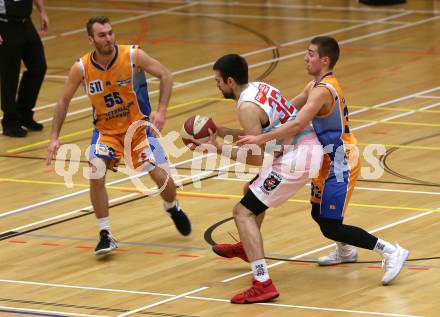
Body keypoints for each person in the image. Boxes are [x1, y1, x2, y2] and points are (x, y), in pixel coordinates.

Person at [237, 36, 409, 285]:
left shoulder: (322, 92)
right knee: (318, 214)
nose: (305, 57)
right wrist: (256, 113)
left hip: (342, 160)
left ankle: (390, 251)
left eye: (310, 53)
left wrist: (260, 137)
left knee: (330, 225)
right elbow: (287, 110)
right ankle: (346, 251)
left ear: (324, 60)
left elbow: (296, 123)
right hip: (325, 159)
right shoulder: (313, 86)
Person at [45, 16, 191, 256]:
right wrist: (54, 137)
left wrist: (161, 110)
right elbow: (63, 101)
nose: (109, 38)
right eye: (102, 35)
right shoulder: (81, 68)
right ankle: (105, 233)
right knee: (95, 171)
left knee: (162, 180)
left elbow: (166, 75)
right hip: (106, 131)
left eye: (111, 33)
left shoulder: (133, 56)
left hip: (138, 128)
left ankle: (172, 207)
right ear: (91, 39)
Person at [189, 54, 323, 304]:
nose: (216, 85)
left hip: (297, 157)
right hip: (303, 149)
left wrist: (217, 149)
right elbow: (262, 136)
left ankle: (263, 282)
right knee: (250, 190)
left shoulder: (246, 107)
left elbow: (256, 157)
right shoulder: (261, 88)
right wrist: (225, 133)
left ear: (230, 81)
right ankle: (246, 247)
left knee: (242, 212)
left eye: (218, 81)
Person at [0, 0, 48, 137]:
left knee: (38, 67)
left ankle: (24, 113)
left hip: (26, 23)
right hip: (5, 25)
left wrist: (42, 11)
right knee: (10, 75)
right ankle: (10, 122)